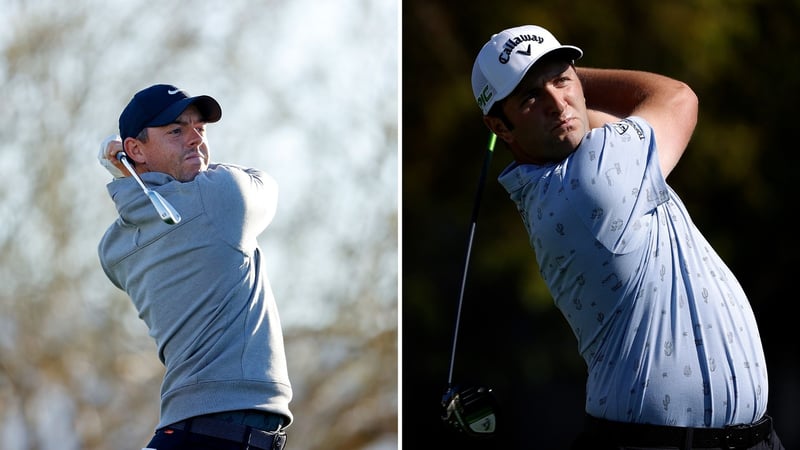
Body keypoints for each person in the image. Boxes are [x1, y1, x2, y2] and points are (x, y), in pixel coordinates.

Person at [470, 25, 784, 449]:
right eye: (529, 98)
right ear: (500, 128)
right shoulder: (591, 179)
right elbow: (678, 98)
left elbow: (585, 121)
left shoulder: (570, 169)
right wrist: (575, 79)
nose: (557, 103)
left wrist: (549, 84)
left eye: (562, 80)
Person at [96, 84, 293, 450]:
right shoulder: (221, 198)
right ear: (135, 148)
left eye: (199, 129)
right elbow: (264, 184)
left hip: (182, 431)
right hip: (222, 435)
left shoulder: (114, 250)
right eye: (176, 131)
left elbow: (155, 205)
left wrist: (129, 172)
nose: (195, 141)